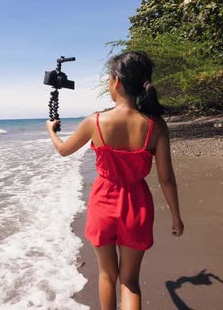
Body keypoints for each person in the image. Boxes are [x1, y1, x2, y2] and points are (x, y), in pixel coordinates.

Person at [46, 51, 184, 310]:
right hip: (138, 206)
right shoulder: (156, 125)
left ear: (116, 82)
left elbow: (64, 150)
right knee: (130, 282)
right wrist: (176, 217)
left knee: (107, 275)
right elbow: (167, 179)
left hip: (103, 203)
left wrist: (50, 131)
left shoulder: (95, 121)